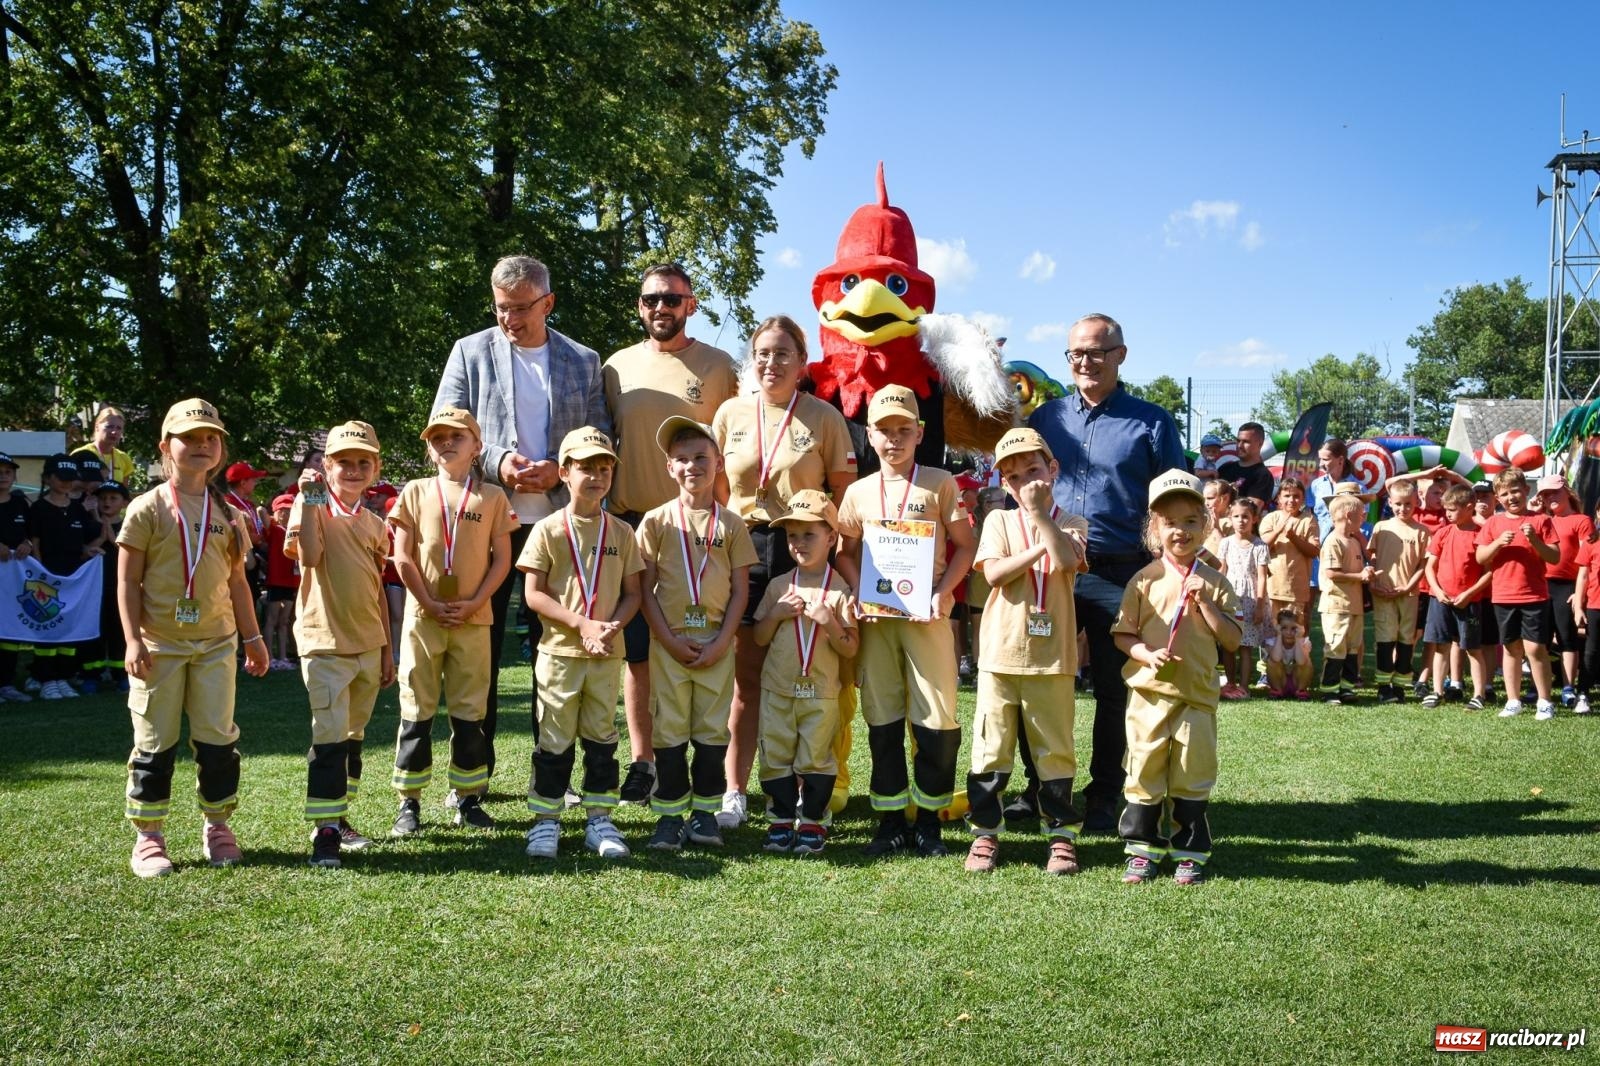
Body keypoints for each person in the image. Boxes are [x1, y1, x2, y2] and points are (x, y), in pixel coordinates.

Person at [432, 254, 611, 781]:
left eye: (521, 309)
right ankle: (472, 775)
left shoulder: (583, 360)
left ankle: (551, 774)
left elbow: (602, 437)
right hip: (486, 523)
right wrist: (496, 462)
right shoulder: (469, 352)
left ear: (548, 302)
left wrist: (562, 469)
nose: (509, 319)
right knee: (476, 653)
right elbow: (441, 434)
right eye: (501, 308)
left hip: (558, 526)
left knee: (555, 652)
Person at [1028, 313, 1186, 833]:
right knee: (1041, 682)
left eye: (1097, 352)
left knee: (1115, 691)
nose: (1086, 362)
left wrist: (1171, 565)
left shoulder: (1153, 421)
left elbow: (1175, 500)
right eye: (1076, 353)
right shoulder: (1044, 420)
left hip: (1119, 571)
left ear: (1121, 354)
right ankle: (1042, 790)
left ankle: (1103, 795)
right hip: (1050, 569)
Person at [711, 314, 855, 829]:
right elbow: (718, 492)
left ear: (802, 362)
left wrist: (836, 560)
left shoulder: (823, 417)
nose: (771, 363)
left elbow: (844, 495)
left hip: (804, 546)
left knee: (811, 666)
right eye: (763, 353)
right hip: (745, 546)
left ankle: (808, 789)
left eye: (783, 354)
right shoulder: (730, 413)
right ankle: (735, 790)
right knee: (748, 680)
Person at [603, 263, 738, 805]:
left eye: (672, 298)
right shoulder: (615, 368)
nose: (661, 307)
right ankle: (644, 761)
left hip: (698, 531)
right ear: (640, 306)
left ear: (691, 303)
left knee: (702, 645)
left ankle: (710, 769)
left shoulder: (719, 366)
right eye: (651, 299)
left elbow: (733, 445)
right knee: (639, 653)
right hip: (635, 523)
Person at [119, 399, 269, 878]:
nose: (202, 445)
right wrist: (132, 641)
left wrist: (253, 638)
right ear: (166, 447)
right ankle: (149, 836)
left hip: (216, 645)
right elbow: (126, 582)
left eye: (211, 438)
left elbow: (237, 583)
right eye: (190, 437)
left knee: (217, 741)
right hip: (159, 647)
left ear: (221, 450)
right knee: (155, 742)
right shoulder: (147, 508)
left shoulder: (229, 513)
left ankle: (218, 826)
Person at [836, 384, 975, 858]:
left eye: (903, 430)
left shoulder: (939, 483)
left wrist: (944, 592)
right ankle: (891, 819)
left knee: (936, 719)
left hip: (926, 618)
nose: (893, 439)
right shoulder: (857, 493)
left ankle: (930, 820)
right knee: (883, 716)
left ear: (919, 433)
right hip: (878, 622)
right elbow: (845, 553)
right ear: (870, 436)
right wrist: (859, 588)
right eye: (883, 431)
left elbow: (966, 545)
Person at [961, 428, 1087, 875]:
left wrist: (1040, 517)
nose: (1024, 481)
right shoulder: (997, 522)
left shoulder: (1072, 521)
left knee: (1055, 749)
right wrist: (1037, 539)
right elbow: (994, 574)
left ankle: (1061, 837)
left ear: (1052, 470)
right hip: (1000, 654)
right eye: (1013, 477)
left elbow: (1069, 561)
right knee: (991, 748)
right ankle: (985, 835)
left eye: (1033, 469)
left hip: (1052, 658)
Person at [388, 407, 519, 835]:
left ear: (476, 446)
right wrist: (426, 600)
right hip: (423, 619)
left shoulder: (494, 497)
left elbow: (504, 559)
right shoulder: (415, 490)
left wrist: (477, 601)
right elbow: (401, 555)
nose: (447, 442)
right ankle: (409, 802)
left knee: (469, 714)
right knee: (416, 711)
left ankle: (468, 798)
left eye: (457, 436)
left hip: (474, 619)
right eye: (438, 436)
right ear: (428, 447)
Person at [519, 428, 643, 861]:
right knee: (553, 739)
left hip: (606, 653)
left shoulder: (623, 533)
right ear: (565, 473)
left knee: (602, 738)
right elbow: (533, 595)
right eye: (586, 467)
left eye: (605, 467)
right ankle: (546, 821)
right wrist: (581, 624)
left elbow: (633, 594)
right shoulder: (549, 529)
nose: (596, 475)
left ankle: (600, 819)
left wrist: (609, 627)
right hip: (559, 654)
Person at [1112, 470, 1240, 885]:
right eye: (1170, 522)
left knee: (1192, 771)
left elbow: (1234, 640)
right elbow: (1124, 634)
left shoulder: (1216, 582)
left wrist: (1207, 605)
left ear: (1205, 525)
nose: (1180, 531)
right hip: (1149, 697)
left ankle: (1189, 851)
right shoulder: (1143, 581)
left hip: (1197, 696)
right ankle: (1141, 851)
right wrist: (1145, 653)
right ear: (1155, 528)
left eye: (1190, 521)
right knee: (1144, 769)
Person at [636, 416, 756, 850]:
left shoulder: (733, 525)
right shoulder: (655, 522)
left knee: (711, 731)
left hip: (717, 647)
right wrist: (667, 639)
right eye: (681, 459)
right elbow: (644, 589)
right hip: (669, 645)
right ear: (669, 468)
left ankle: (704, 813)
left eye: (701, 458)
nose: (692, 467)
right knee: (668, 731)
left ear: (719, 463)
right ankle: (669, 817)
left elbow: (741, 590)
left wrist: (723, 641)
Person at [286, 422, 395, 868]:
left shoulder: (374, 524)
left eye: (362, 462)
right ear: (326, 465)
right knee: (329, 738)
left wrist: (388, 649)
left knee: (351, 739)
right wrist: (310, 501)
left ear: (376, 468)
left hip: (368, 644)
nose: (353, 469)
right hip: (324, 643)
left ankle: (340, 817)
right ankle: (325, 830)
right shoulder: (307, 505)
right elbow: (309, 556)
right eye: (343, 461)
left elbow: (378, 590)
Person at [751, 489, 858, 856]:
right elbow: (760, 637)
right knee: (776, 754)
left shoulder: (840, 591)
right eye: (792, 535)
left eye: (809, 534)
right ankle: (781, 819)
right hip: (778, 689)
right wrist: (776, 614)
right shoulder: (779, 586)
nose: (798, 543)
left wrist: (830, 623)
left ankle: (813, 820)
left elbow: (850, 648)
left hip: (822, 692)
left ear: (831, 538)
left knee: (816, 756)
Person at [1475, 471, 1560, 720]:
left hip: (1534, 596)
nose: (1511, 497)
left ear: (1526, 490)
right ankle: (1513, 701)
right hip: (1503, 596)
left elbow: (1554, 557)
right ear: (1498, 498)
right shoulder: (1493, 523)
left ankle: (1545, 701)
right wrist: (1498, 543)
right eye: (1504, 493)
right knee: (1511, 649)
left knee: (1535, 649)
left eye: (1515, 491)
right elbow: (1481, 557)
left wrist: (1535, 540)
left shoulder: (1542, 520)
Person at [28, 455, 104, 699]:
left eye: (71, 479)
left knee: (69, 628)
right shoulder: (38, 508)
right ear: (48, 478)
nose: (66, 483)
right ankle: (45, 679)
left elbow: (87, 541)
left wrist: (89, 548)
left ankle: (63, 678)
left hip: (74, 579)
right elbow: (35, 543)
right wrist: (42, 573)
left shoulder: (77, 510)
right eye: (61, 478)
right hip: (46, 577)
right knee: (47, 627)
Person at [1423, 484, 1492, 709]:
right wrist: (1438, 591)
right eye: (1446, 509)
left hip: (1469, 602)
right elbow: (1429, 568)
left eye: (1452, 509)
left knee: (1472, 648)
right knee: (1441, 646)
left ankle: (1479, 694)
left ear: (1469, 507)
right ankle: (1437, 691)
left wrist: (1469, 594)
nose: (1448, 514)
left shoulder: (1481, 536)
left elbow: (1489, 573)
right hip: (1440, 599)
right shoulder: (1443, 533)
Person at [1367, 481, 1429, 703]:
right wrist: (1373, 583)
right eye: (1398, 504)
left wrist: (1410, 585)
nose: (1403, 509)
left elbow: (1423, 564)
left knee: (1405, 640)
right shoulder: (1381, 527)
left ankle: (1400, 686)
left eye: (1408, 504)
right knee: (1385, 638)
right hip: (1383, 592)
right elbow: (1372, 558)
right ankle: (1384, 687)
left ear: (1416, 503)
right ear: (1390, 503)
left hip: (1408, 594)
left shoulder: (1422, 531)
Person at [1534, 474, 1592, 707]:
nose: (1550, 498)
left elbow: (1587, 561)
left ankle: (1568, 686)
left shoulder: (1581, 520)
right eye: (1545, 495)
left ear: (1567, 492)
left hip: (1567, 586)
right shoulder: (1541, 520)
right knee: (1539, 639)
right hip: (1540, 584)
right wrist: (1534, 511)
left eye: (1554, 492)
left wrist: (1580, 593)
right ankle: (1538, 687)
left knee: (1568, 638)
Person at [1318, 492, 1373, 704]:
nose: (1364, 518)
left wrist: (1367, 575)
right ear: (1349, 515)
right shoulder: (1333, 541)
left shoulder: (1354, 541)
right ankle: (1329, 689)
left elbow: (1355, 571)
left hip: (1355, 605)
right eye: (1362, 515)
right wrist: (1360, 576)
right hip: (1337, 605)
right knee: (1336, 645)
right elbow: (1332, 573)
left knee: (1353, 646)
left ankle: (1346, 688)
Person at [1217, 497, 1269, 699]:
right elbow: (1221, 571)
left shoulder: (1259, 546)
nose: (1241, 521)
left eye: (1245, 516)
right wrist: (1218, 597)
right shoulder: (1226, 543)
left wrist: (1259, 604)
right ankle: (1230, 683)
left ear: (1254, 519)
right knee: (1229, 644)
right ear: (1230, 518)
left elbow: (1262, 577)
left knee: (1246, 645)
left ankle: (1244, 686)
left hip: (1250, 598)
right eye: (1236, 516)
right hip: (1231, 597)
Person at [1259, 479, 1319, 625]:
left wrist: (1293, 537)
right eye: (1287, 496)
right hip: (1272, 588)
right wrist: (1278, 530)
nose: (1291, 500)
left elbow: (1314, 551)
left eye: (1296, 496)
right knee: (1271, 634)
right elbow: (1262, 548)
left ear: (1303, 499)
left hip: (1296, 590)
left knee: (1293, 633)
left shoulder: (1308, 520)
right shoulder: (1270, 518)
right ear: (1279, 498)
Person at [0, 452, 33, 703]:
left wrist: (27, 543)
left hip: (14, 582)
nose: (3, 475)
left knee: (11, 631)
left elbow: (32, 533)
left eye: (8, 472)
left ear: (14, 476)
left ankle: (7, 683)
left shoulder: (21, 504)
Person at [1568, 500, 1600, 716]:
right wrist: (1578, 607)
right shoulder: (1591, 541)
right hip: (1595, 604)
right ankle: (1583, 694)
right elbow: (1583, 575)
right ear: (1598, 512)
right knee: (1591, 651)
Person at [263, 493, 300, 669]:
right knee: (272, 619)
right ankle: (269, 656)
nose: (285, 514)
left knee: (284, 621)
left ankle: (283, 657)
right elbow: (261, 512)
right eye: (281, 510)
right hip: (276, 580)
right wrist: (271, 516)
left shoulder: (294, 530)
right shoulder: (274, 529)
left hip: (291, 581)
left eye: (289, 510)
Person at [1309, 438, 1362, 539]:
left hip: (1346, 544)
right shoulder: (1316, 485)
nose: (1320, 464)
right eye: (1320, 459)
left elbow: (1361, 521)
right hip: (1319, 546)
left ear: (1341, 460)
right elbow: (1310, 515)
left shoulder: (1357, 488)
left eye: (1325, 459)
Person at [73, 405, 138, 488]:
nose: (114, 432)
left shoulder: (124, 458)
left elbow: (123, 494)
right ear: (97, 427)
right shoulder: (80, 454)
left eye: (119, 428)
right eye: (109, 427)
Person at [1217, 422, 1275, 509]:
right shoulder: (1225, 468)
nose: (1239, 445)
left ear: (1260, 444)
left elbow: (1250, 511)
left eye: (1246, 442)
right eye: (1238, 441)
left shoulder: (1263, 476)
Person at [1264, 609, 1314, 698]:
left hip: (1297, 680)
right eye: (1284, 628)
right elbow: (1276, 658)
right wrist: (1279, 635)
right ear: (1278, 627)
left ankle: (1301, 690)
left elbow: (1301, 662)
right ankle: (1277, 690)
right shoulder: (1272, 642)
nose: (1289, 632)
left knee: (1307, 662)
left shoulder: (1304, 642)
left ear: (1300, 629)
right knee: (1271, 661)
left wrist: (1298, 639)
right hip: (1280, 680)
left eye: (1294, 628)